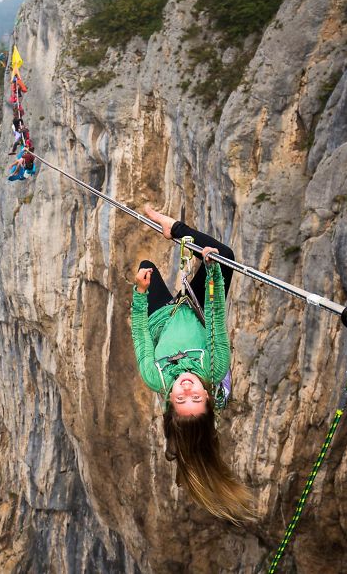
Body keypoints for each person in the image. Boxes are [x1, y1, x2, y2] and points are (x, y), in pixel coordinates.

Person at [131, 206, 254, 523]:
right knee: (225, 256)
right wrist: (211, 271)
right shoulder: (214, 368)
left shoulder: (156, 377)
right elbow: (215, 319)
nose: (186, 389)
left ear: (169, 402)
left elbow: (141, 335)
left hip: (160, 319)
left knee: (146, 267)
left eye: (180, 399)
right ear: (208, 395)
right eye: (195, 397)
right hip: (196, 308)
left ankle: (170, 248)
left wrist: (140, 294)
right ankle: (174, 227)